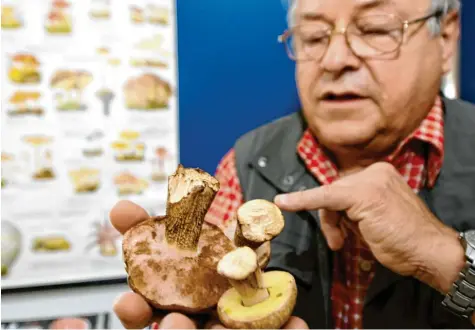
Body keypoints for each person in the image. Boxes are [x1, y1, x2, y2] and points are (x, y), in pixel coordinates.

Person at [111, 0, 475, 328]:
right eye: (314, 37)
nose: (334, 60)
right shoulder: (248, 161)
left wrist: (445, 258)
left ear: (445, 37)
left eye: (376, 29)